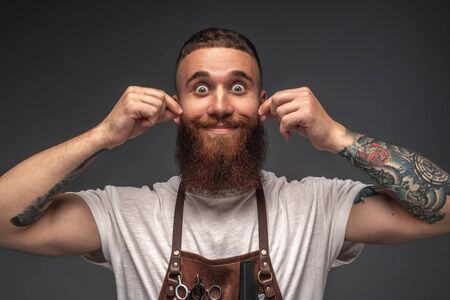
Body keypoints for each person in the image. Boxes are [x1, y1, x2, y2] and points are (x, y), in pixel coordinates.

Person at [0, 27, 448, 300]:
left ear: (263, 104)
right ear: (176, 107)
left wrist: (336, 137)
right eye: (199, 88)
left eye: (238, 87)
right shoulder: (125, 214)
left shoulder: (318, 206)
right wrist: (103, 135)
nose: (218, 105)